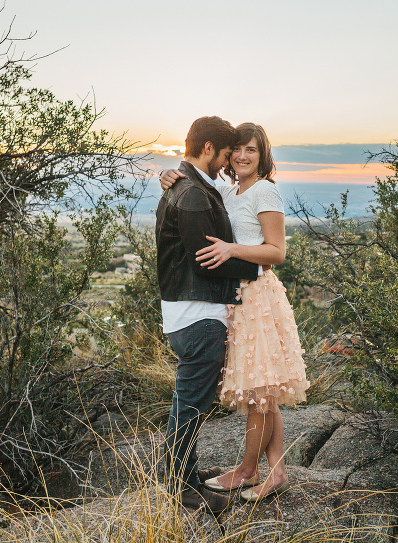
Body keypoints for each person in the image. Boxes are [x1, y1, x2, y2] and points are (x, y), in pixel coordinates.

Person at [160, 122, 309, 502]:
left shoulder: (265, 190)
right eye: (237, 149)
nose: (242, 156)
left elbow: (276, 252)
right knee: (263, 387)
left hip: (256, 296)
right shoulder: (226, 189)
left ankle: (248, 470)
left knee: (261, 387)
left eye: (251, 151)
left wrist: (231, 249)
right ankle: (273, 472)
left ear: (263, 155)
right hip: (232, 295)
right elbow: (195, 193)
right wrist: (169, 176)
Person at [156, 116, 261, 514]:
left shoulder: (192, 185)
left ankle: (185, 473)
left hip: (189, 311)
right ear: (206, 149)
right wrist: (258, 269)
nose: (227, 162)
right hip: (197, 315)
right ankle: (178, 486)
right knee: (191, 405)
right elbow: (205, 263)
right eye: (223, 154)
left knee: (191, 402)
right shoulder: (194, 194)